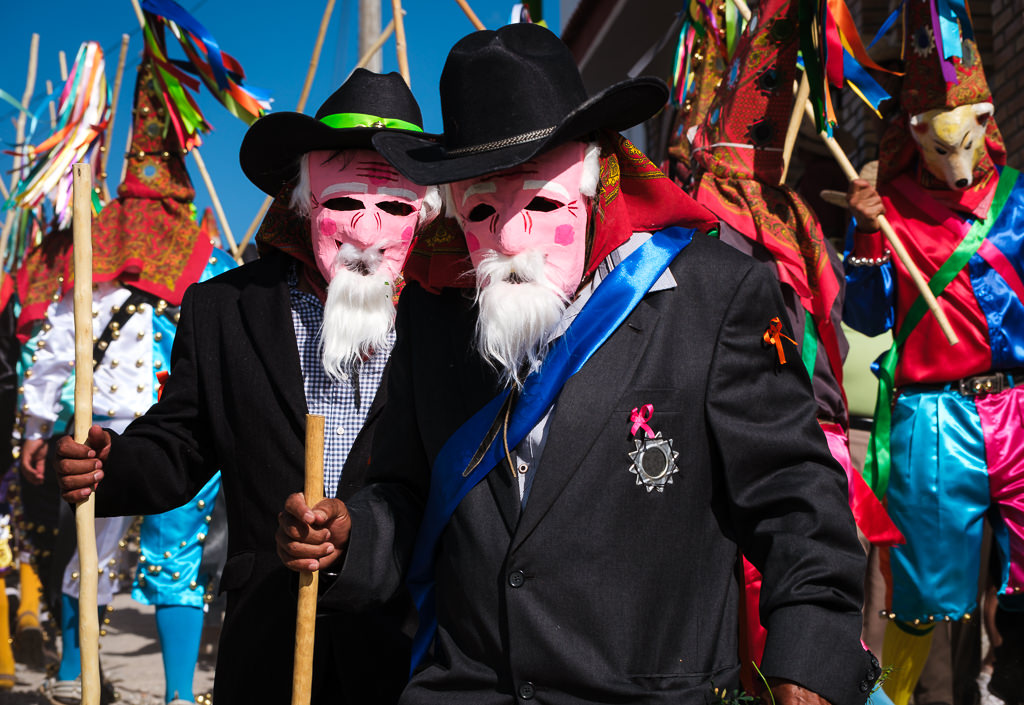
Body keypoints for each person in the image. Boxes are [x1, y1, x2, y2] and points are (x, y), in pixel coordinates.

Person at [277, 24, 879, 705]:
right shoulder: (435, 312)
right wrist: (351, 534)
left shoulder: (711, 296)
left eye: (538, 202)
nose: (508, 238)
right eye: (482, 208)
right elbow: (402, 491)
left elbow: (795, 497)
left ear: (593, 181)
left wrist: (808, 665)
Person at [53, 68, 441, 705]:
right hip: (269, 635)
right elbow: (181, 443)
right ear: (304, 203)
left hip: (409, 643)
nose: (367, 233)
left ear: (423, 216)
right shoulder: (224, 310)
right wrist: (109, 463)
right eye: (344, 201)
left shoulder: (451, 318)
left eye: (395, 206)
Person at [843, 4, 1024, 704]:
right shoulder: (888, 209)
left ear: (985, 122)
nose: (955, 162)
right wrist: (865, 238)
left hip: (1015, 403)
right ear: (913, 136)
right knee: (932, 613)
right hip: (935, 420)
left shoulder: (1016, 205)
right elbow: (865, 319)